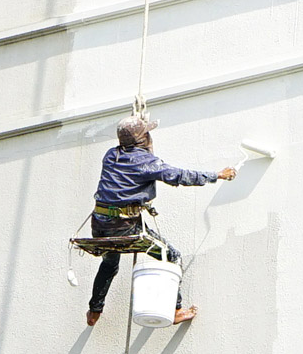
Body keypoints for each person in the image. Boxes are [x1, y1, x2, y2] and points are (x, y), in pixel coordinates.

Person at [86, 114, 235, 327]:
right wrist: (217, 175)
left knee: (110, 263)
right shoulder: (146, 162)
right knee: (171, 255)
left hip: (100, 224)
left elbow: (128, 174)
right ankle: (175, 310)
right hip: (124, 227)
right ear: (142, 139)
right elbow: (179, 175)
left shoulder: (110, 155)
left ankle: (94, 311)